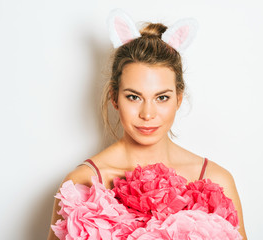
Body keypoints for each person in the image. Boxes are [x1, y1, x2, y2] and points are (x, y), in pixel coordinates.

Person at [48, 10, 247, 240]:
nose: (148, 113)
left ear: (178, 99)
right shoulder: (82, 184)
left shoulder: (216, 181)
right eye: (133, 97)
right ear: (114, 97)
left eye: (161, 97)